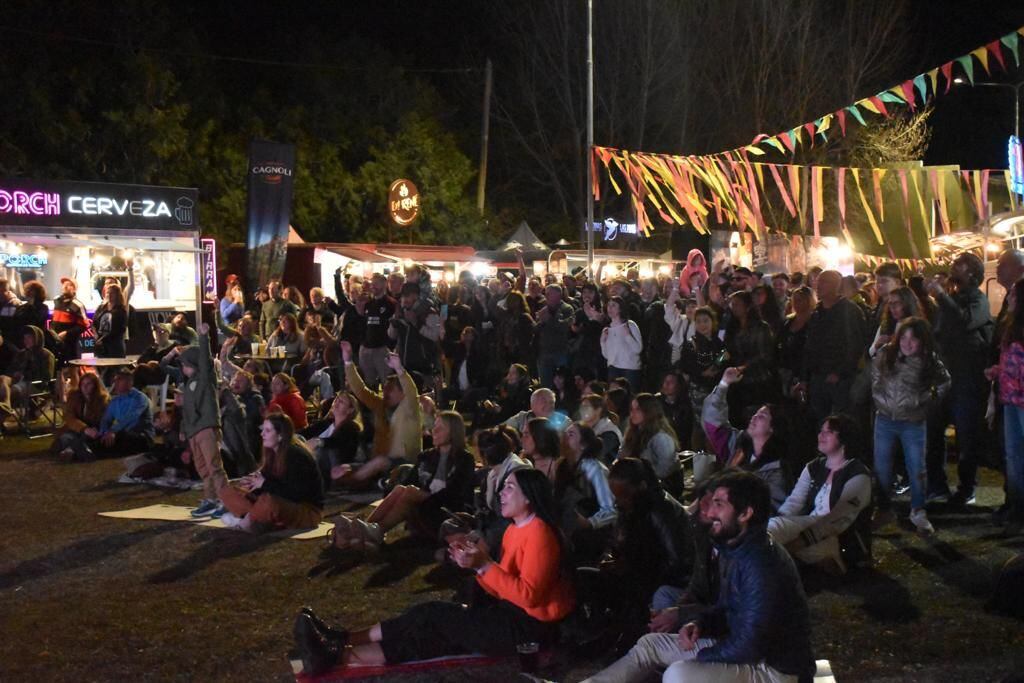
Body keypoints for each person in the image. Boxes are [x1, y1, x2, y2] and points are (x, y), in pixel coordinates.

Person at [292, 468, 575, 674]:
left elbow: (529, 597)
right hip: (510, 614)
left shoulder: (541, 535)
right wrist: (476, 565)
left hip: (530, 630)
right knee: (427, 627)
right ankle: (339, 647)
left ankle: (336, 649)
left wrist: (484, 565)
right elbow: (504, 584)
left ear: (530, 498)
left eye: (510, 487)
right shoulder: (516, 529)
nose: (502, 493)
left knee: (432, 617)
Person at [583, 470, 815, 683]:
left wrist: (702, 655)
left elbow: (751, 644)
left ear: (745, 513)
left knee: (678, 674)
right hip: (741, 649)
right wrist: (700, 623)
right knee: (650, 645)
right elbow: (727, 608)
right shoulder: (733, 548)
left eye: (719, 504)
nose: (710, 512)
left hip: (774, 669)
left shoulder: (761, 564)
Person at [334, 411, 476, 549]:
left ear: (453, 432)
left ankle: (377, 531)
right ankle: (364, 529)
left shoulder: (464, 459)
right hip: (424, 504)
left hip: (447, 509)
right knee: (401, 489)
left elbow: (455, 493)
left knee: (409, 491)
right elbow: (408, 481)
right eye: (435, 426)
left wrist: (423, 496)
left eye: (440, 428)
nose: (434, 430)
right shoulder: (427, 456)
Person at [926, 253, 994, 507]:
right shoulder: (950, 300)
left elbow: (966, 321)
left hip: (967, 380)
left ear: (973, 273)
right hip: (944, 378)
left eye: (960, 265)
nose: (954, 267)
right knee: (933, 433)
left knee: (966, 438)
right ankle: (937, 486)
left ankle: (967, 489)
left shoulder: (979, 300)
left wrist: (941, 296)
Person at [871, 318, 950, 535]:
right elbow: (875, 376)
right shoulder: (886, 353)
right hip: (885, 419)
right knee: (882, 467)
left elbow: (944, 381)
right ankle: (884, 509)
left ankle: (918, 511)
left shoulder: (928, 360)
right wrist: (879, 398)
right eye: (903, 337)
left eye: (913, 338)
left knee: (916, 467)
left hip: (913, 421)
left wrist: (926, 399)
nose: (907, 343)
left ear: (922, 340)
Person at [769, 414, 872, 574]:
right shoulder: (814, 467)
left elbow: (838, 519)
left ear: (845, 438)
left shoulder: (858, 475)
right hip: (810, 526)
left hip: (838, 537)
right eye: (820, 431)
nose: (820, 435)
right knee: (769, 531)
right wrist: (782, 520)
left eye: (829, 432)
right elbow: (794, 502)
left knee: (774, 538)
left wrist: (798, 541)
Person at [702, 367, 792, 512]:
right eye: (755, 414)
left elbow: (770, 511)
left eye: (762, 416)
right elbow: (712, 422)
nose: (754, 417)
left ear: (773, 428)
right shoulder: (738, 446)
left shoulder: (776, 471)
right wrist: (724, 384)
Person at [219, 413, 324, 532]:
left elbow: (296, 494)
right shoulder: (272, 452)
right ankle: (254, 519)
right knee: (227, 491)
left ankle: (248, 521)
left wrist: (264, 484)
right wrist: (252, 485)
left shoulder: (296, 455)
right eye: (263, 429)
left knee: (267, 501)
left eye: (267, 431)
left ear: (280, 436)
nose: (262, 434)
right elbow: (269, 486)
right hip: (281, 503)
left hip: (305, 509)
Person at [339, 341, 423, 488]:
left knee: (380, 463)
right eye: (384, 388)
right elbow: (360, 390)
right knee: (339, 469)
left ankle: (354, 484)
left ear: (401, 393)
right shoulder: (380, 406)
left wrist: (399, 369)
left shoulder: (410, 408)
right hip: (378, 459)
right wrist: (348, 361)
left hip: (402, 463)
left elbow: (411, 391)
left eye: (390, 389)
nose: (385, 393)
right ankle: (372, 482)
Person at [800, 270, 865, 423]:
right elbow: (809, 346)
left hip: (839, 379)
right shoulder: (816, 312)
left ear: (836, 285)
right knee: (819, 420)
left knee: (839, 421)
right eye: (818, 281)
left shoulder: (849, 311)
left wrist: (840, 372)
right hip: (817, 375)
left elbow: (855, 345)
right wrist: (804, 377)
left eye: (824, 282)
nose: (818, 285)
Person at [990, 277, 1024, 537]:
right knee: (1013, 457)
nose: (1008, 297)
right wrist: (999, 371)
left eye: (1013, 294)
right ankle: (1016, 509)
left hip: (1020, 400)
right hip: (1010, 400)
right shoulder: (1010, 325)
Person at [621, 393, 682, 491]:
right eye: (631, 409)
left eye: (638, 410)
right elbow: (622, 456)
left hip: (660, 487)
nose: (633, 413)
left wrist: (638, 478)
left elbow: (665, 470)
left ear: (649, 411)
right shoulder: (632, 433)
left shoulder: (661, 438)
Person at [91, 367, 155, 458]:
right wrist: (104, 432)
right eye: (115, 380)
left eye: (119, 380)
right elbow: (106, 419)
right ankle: (90, 450)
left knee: (122, 438)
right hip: (123, 433)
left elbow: (130, 419)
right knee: (99, 435)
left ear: (130, 383)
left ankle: (93, 452)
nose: (115, 383)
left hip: (141, 435)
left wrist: (113, 431)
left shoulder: (140, 398)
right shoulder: (115, 401)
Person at [305, 392, 363, 489]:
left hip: (336, 465)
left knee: (321, 449)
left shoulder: (351, 426)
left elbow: (338, 442)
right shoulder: (327, 423)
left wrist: (319, 441)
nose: (336, 402)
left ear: (350, 410)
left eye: (341, 402)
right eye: (336, 399)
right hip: (314, 461)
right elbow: (305, 432)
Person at [52, 371, 110, 461]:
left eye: (88, 384)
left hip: (93, 429)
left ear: (95, 386)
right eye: (83, 384)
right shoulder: (74, 396)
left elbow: (102, 419)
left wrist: (91, 430)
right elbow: (69, 417)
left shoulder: (102, 400)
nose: (85, 387)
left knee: (87, 438)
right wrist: (84, 428)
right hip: (76, 429)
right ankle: (73, 450)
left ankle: (72, 451)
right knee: (65, 439)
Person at [0, 325, 56, 412]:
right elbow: (11, 369)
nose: (26, 341)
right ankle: (7, 404)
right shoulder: (22, 354)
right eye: (25, 338)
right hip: (18, 381)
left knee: (8, 392)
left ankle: (5, 411)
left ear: (37, 338)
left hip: (34, 384)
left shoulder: (46, 355)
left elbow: (47, 376)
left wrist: (24, 374)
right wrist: (14, 374)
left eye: (29, 338)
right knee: (3, 378)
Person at [535, 283, 576, 388]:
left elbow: (565, 327)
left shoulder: (567, 309)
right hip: (544, 352)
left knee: (562, 384)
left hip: (560, 351)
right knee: (545, 384)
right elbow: (536, 328)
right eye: (547, 294)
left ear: (559, 295)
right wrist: (540, 322)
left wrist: (549, 320)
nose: (547, 296)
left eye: (550, 294)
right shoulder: (542, 307)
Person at [600, 296, 643, 388]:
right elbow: (607, 355)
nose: (610, 308)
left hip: (629, 368)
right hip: (613, 368)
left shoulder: (630, 325)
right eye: (608, 305)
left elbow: (638, 349)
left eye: (613, 305)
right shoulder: (607, 329)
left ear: (620, 308)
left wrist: (627, 335)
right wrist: (603, 342)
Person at [51, 277, 89, 363]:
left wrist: (67, 333)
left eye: (69, 285)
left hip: (69, 344)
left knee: (72, 369)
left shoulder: (78, 305)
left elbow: (83, 326)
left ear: (74, 289)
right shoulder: (56, 301)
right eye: (64, 284)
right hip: (54, 341)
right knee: (58, 369)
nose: (65, 286)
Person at [578, 393, 622, 465]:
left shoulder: (610, 433)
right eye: (581, 407)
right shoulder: (586, 428)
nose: (582, 410)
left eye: (586, 407)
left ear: (598, 410)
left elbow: (592, 455)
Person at [92, 282, 128, 358]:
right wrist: (96, 336)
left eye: (112, 293)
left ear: (117, 295)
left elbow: (120, 329)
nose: (109, 295)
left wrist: (103, 339)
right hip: (100, 346)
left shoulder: (121, 310)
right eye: (108, 293)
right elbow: (94, 323)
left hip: (114, 346)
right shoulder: (101, 307)